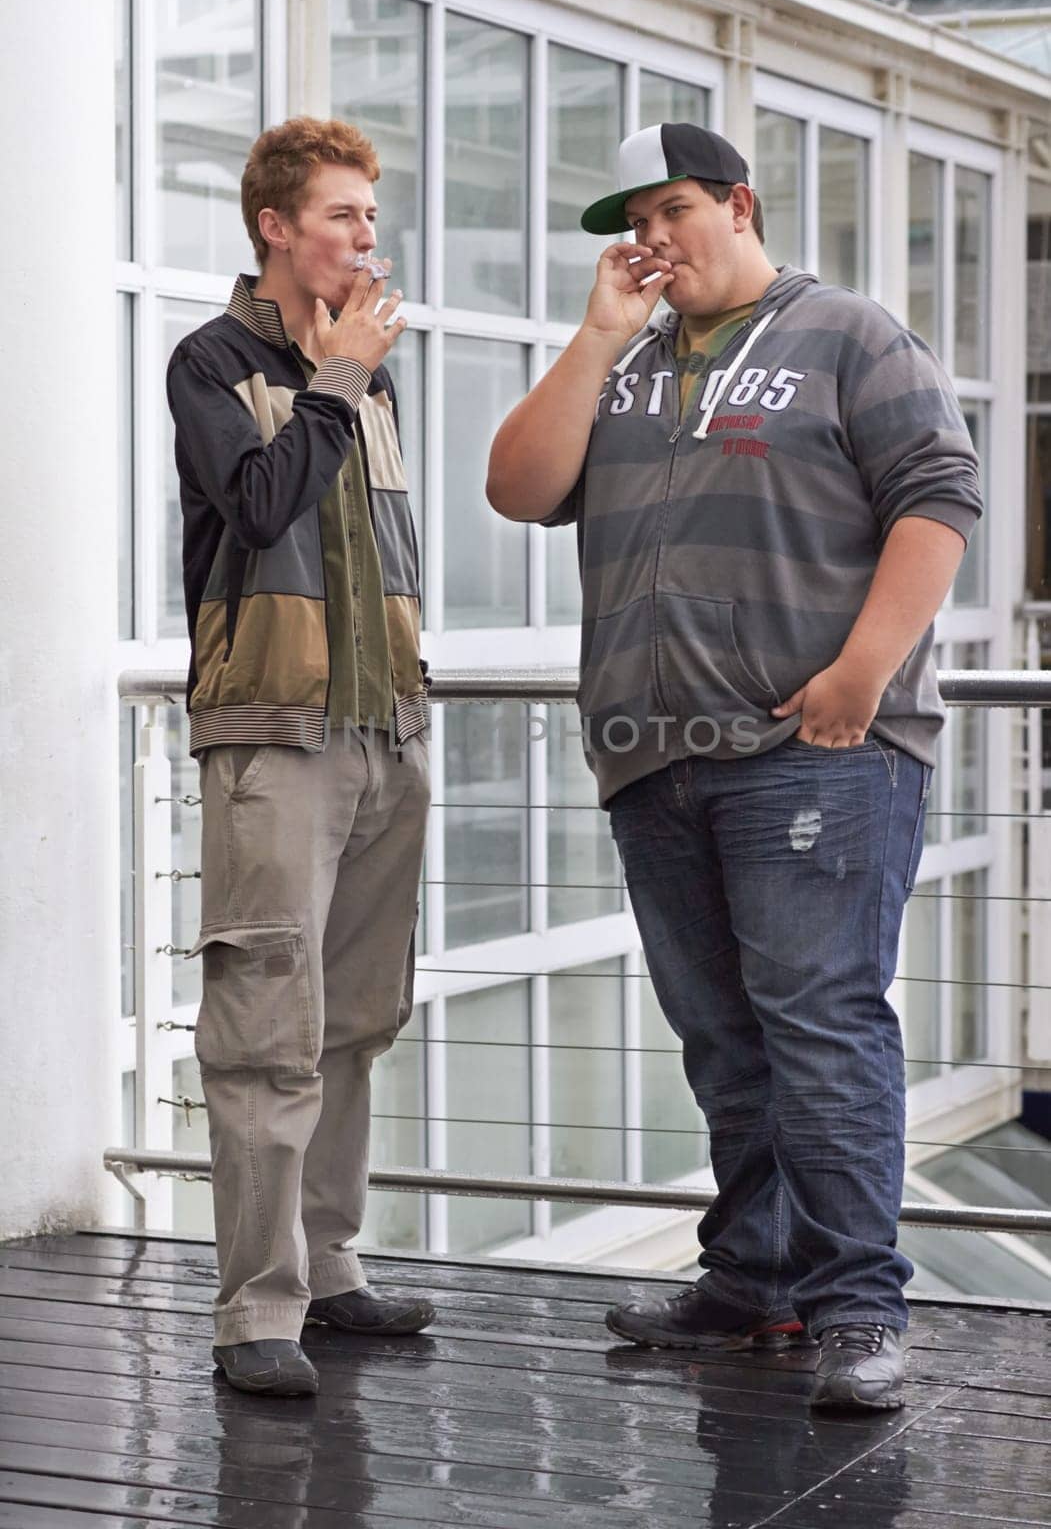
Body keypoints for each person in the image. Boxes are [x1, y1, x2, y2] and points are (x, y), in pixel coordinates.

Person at [487, 122, 982, 1411]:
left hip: (812, 752)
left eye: (670, 211)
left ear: (738, 206)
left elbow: (939, 497)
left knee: (820, 1029)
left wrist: (862, 673)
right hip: (656, 757)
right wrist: (596, 334)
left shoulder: (848, 334)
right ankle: (754, 1279)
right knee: (724, 1040)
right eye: (630, 222)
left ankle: (857, 1308)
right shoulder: (633, 365)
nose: (647, 239)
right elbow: (517, 487)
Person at [167, 116, 434, 1397]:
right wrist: (335, 382)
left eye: (370, 217)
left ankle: (328, 1271)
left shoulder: (374, 373)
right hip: (273, 738)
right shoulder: (211, 362)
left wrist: (353, 376)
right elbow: (263, 504)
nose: (365, 238)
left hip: (384, 734)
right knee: (267, 1029)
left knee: (354, 1024)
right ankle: (253, 1311)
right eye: (341, 215)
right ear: (274, 226)